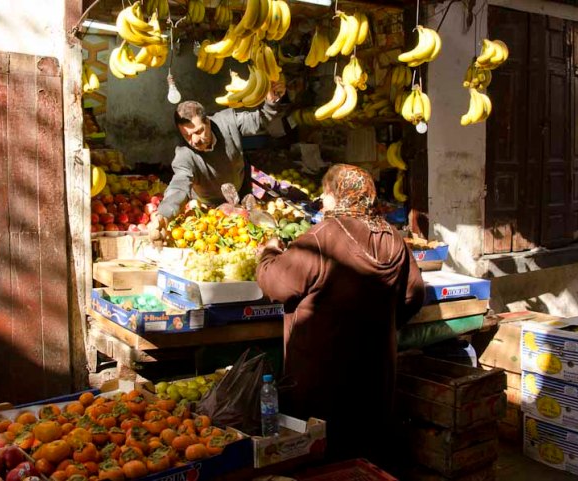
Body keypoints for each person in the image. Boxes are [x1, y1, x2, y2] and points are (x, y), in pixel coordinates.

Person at [255, 164, 425, 465]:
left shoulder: (322, 238)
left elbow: (277, 285)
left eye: (326, 193)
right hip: (374, 374)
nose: (322, 199)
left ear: (338, 196)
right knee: (364, 454)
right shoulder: (393, 237)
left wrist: (268, 253)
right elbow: (414, 294)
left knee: (324, 456)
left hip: (322, 377)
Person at [156, 81, 285, 219]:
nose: (194, 140)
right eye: (187, 135)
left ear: (208, 122)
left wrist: (271, 101)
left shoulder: (228, 122)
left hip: (240, 195)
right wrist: (164, 214)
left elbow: (259, 121)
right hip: (208, 209)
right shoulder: (184, 155)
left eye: (199, 131)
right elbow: (179, 186)